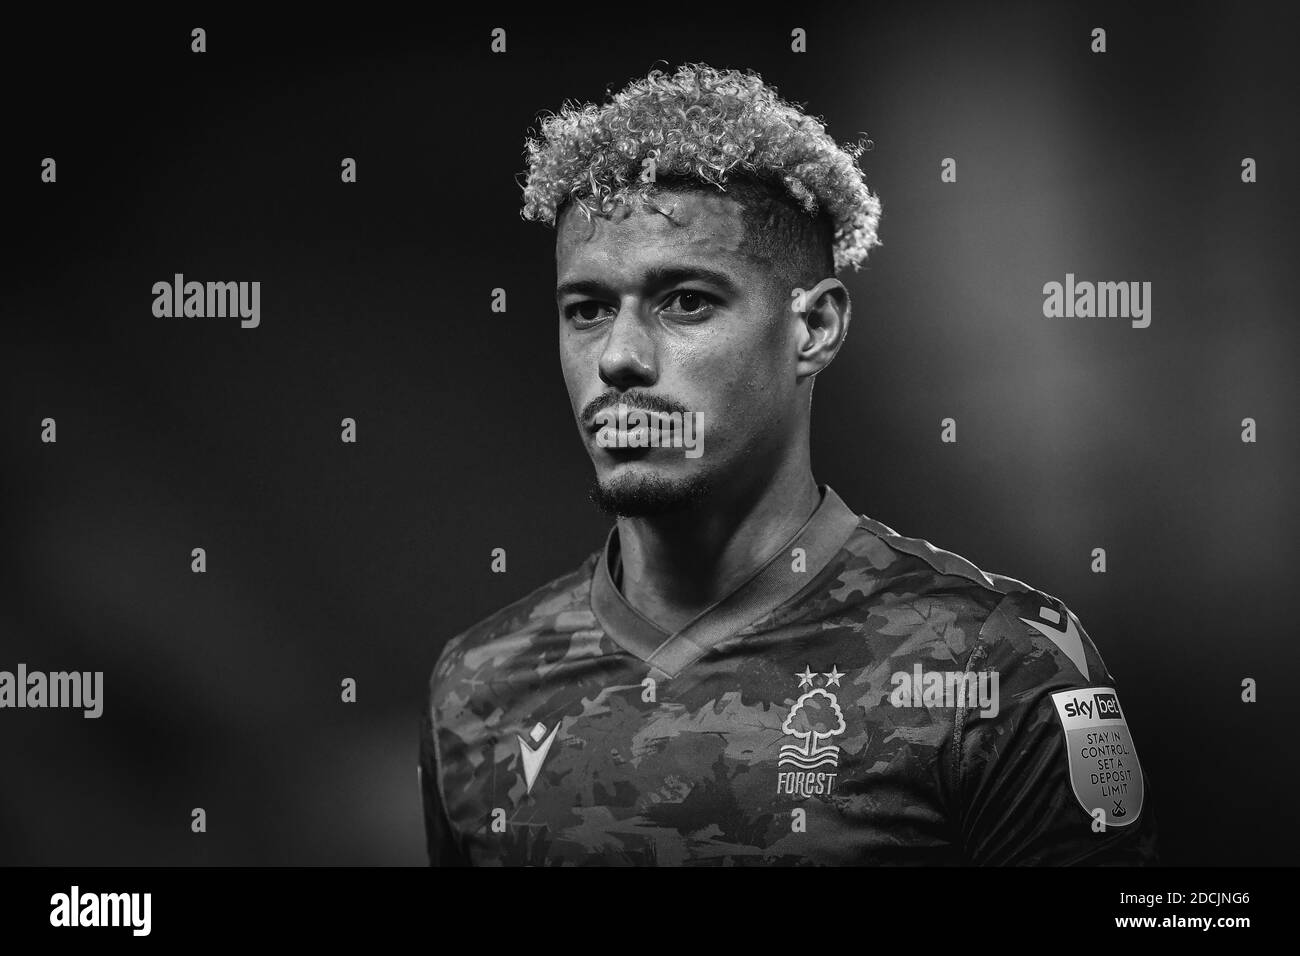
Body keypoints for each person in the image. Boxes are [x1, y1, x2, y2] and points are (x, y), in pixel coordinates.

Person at [419, 62, 1158, 865]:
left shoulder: (996, 666)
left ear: (815, 329)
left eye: (687, 301)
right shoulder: (478, 688)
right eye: (588, 310)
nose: (621, 359)